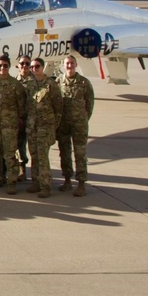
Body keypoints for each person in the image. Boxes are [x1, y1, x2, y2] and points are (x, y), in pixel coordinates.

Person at [0, 55, 27, 194]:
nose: (3, 68)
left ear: (9, 67)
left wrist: (16, 119)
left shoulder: (16, 85)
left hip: (9, 125)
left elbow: (21, 106)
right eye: (0, 66)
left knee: (9, 154)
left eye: (5, 66)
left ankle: (12, 181)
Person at [57, 55, 95, 197]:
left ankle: (81, 183)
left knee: (80, 154)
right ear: (63, 65)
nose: (69, 66)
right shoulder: (58, 82)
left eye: (72, 63)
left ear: (76, 64)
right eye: (67, 63)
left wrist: (83, 119)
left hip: (79, 124)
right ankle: (67, 180)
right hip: (63, 124)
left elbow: (89, 104)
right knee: (64, 152)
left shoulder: (84, 83)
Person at [25, 58, 63, 198]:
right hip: (32, 126)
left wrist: (53, 126)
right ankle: (36, 182)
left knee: (43, 157)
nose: (35, 69)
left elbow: (58, 107)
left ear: (42, 67)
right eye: (32, 67)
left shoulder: (51, 84)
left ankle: (46, 185)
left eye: (37, 66)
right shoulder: (30, 85)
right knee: (34, 155)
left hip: (45, 126)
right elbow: (27, 106)